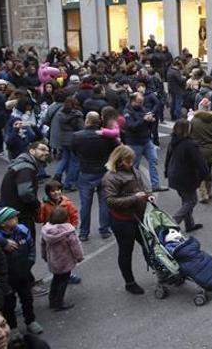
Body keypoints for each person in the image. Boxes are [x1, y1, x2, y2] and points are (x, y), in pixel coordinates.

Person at [103, 145, 154, 295]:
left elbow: (140, 186)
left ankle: (159, 271)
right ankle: (129, 282)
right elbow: (110, 201)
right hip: (122, 221)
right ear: (119, 160)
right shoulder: (110, 177)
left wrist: (147, 195)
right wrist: (134, 198)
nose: (131, 163)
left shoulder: (132, 170)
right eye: (128, 161)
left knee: (148, 245)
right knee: (126, 252)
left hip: (137, 217)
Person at [0, 207, 40, 336]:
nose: (16, 219)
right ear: (2, 223)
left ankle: (31, 321)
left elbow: (31, 248)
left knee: (27, 299)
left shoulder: (22, 230)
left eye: (15, 216)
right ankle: (12, 327)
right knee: (8, 305)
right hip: (7, 278)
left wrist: (29, 263)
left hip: (23, 273)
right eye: (11, 218)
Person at [70, 111, 117, 241]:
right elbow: (118, 149)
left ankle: (84, 232)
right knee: (104, 202)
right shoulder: (107, 136)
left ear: (87, 121)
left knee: (85, 204)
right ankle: (104, 229)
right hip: (103, 171)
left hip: (85, 172)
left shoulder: (77, 136)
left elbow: (74, 151)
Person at [164, 120, 209, 233]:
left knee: (186, 200)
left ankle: (189, 224)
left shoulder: (173, 141)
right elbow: (199, 162)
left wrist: (166, 171)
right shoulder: (190, 144)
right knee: (191, 201)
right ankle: (172, 222)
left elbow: (167, 158)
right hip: (185, 177)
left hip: (174, 175)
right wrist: (205, 175)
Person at [0, 142, 50, 239]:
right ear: (32, 151)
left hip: (14, 212)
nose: (46, 153)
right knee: (26, 242)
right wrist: (37, 205)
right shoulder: (26, 168)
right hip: (20, 214)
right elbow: (25, 193)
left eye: (48, 150)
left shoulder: (23, 164)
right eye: (42, 149)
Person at [41, 206, 83, 312]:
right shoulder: (68, 231)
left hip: (53, 261)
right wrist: (79, 257)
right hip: (65, 261)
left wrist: (45, 256)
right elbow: (75, 246)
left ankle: (52, 300)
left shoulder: (46, 231)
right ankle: (59, 302)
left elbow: (43, 245)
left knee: (55, 279)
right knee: (63, 281)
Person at [122, 93, 163, 192]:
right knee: (135, 166)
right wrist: (144, 120)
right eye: (139, 102)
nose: (141, 104)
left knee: (153, 160)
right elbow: (132, 126)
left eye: (142, 102)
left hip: (146, 140)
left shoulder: (142, 108)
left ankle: (155, 185)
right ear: (132, 101)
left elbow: (145, 120)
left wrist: (150, 120)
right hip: (134, 142)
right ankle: (136, 187)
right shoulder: (127, 112)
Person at [189, 100, 212, 203]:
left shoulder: (194, 121)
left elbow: (188, 134)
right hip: (211, 149)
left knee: (199, 172)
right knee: (208, 170)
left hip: (198, 149)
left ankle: (203, 194)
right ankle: (209, 192)